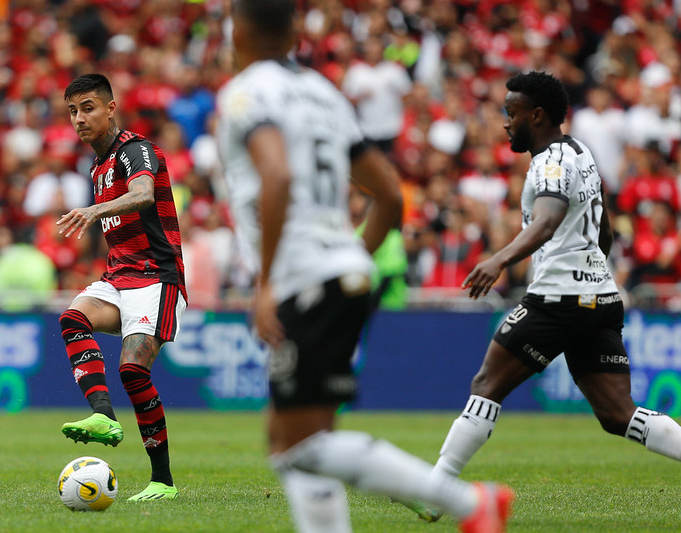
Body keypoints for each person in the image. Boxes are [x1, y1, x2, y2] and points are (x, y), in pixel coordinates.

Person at [216, 2, 513, 532]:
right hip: (346, 270)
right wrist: (352, 259)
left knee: (295, 447)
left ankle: (470, 504)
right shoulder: (326, 93)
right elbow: (390, 198)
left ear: (237, 30)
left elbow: (277, 176)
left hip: (303, 275)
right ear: (292, 32)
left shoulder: (245, 93)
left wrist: (265, 285)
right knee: (301, 440)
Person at [405, 71, 681, 525]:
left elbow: (548, 220)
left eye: (510, 113)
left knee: (486, 384)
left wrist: (498, 260)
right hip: (600, 296)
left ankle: (437, 490)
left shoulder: (550, 161)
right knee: (617, 413)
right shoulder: (582, 153)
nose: (504, 123)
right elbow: (605, 233)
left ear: (536, 115)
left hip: (558, 298)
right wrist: (590, 276)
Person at [57, 73, 187, 502]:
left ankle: (162, 481)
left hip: (158, 277)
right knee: (73, 318)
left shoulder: (135, 150)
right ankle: (103, 416)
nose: (79, 119)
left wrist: (95, 210)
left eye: (88, 108)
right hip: (120, 277)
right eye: (73, 111)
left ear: (111, 108)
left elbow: (144, 194)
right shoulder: (96, 166)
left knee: (133, 370)